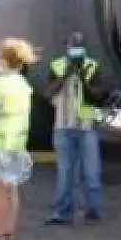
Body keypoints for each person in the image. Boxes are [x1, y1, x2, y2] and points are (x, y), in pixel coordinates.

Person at [42, 32, 106, 225]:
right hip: (63, 126)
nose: (76, 48)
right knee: (65, 173)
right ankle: (63, 212)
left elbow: (99, 95)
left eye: (79, 45)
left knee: (91, 172)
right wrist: (66, 75)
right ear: (67, 47)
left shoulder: (92, 66)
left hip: (86, 126)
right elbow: (48, 93)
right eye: (73, 45)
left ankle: (92, 210)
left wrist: (83, 78)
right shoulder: (57, 65)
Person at [0, 38, 38, 240]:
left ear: (5, 59)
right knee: (12, 189)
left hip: (0, 143)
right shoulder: (23, 85)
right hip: (17, 143)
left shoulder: (0, 85)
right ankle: (9, 232)